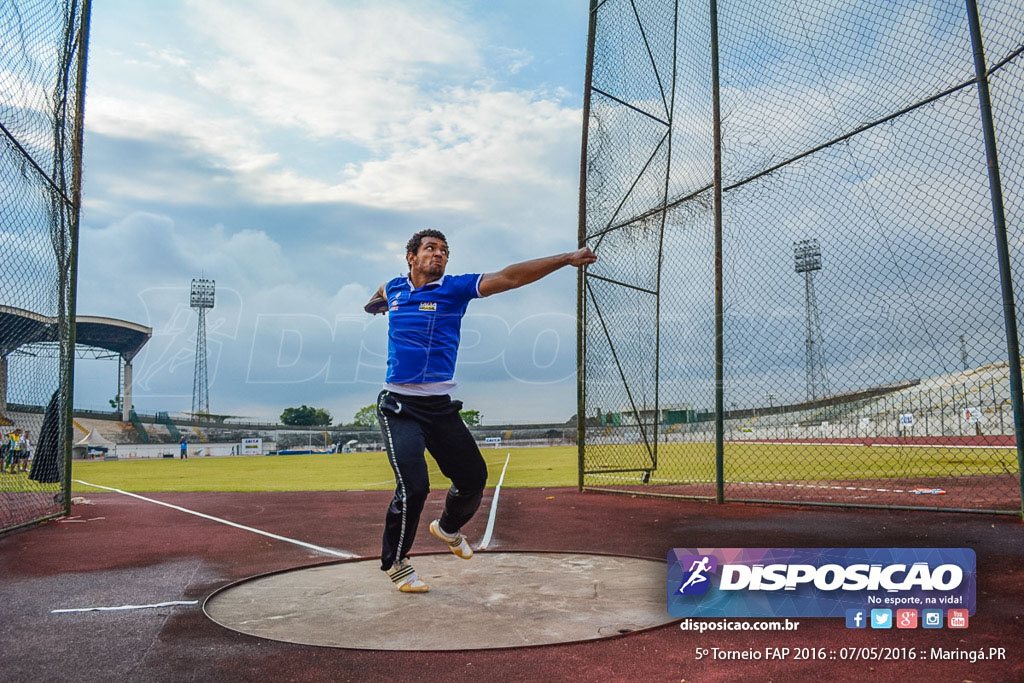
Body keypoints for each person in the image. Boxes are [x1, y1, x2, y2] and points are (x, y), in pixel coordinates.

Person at [364, 229, 596, 593]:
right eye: (430, 249)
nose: (439, 255)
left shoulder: (454, 288)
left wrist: (565, 258)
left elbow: (509, 276)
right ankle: (397, 562)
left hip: (439, 406)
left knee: (473, 478)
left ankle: (448, 528)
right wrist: (375, 306)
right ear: (411, 256)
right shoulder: (394, 288)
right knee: (414, 487)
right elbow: (380, 294)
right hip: (398, 405)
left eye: (444, 251)